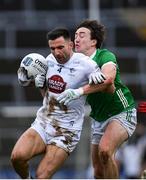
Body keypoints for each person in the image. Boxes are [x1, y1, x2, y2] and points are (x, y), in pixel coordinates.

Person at [10, 28, 112, 179]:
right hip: (44, 122)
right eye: (52, 48)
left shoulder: (86, 64)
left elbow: (108, 88)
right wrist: (39, 84)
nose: (56, 52)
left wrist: (84, 88)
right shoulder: (48, 61)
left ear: (70, 45)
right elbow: (46, 94)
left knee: (42, 175)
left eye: (60, 47)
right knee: (17, 157)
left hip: (66, 131)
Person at [57, 20, 137, 178]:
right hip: (99, 118)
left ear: (93, 41)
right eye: (75, 36)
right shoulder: (75, 64)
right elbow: (60, 85)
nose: (76, 39)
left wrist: (79, 91)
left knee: (105, 151)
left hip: (121, 112)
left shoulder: (104, 56)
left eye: (82, 35)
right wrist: (40, 83)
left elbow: (108, 81)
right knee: (98, 171)